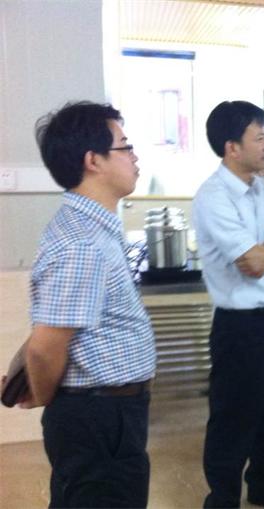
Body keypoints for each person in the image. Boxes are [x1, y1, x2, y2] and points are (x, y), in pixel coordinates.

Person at [17, 102, 156, 507]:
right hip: (97, 417)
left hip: (105, 411)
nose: (134, 156)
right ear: (93, 160)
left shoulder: (90, 227)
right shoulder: (83, 243)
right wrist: (47, 396)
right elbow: (44, 347)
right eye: (125, 147)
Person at [193, 101, 264, 509]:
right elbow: (252, 263)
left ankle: (263, 485)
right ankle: (222, 498)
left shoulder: (260, 189)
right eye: (260, 138)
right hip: (239, 326)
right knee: (233, 414)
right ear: (232, 147)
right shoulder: (214, 196)